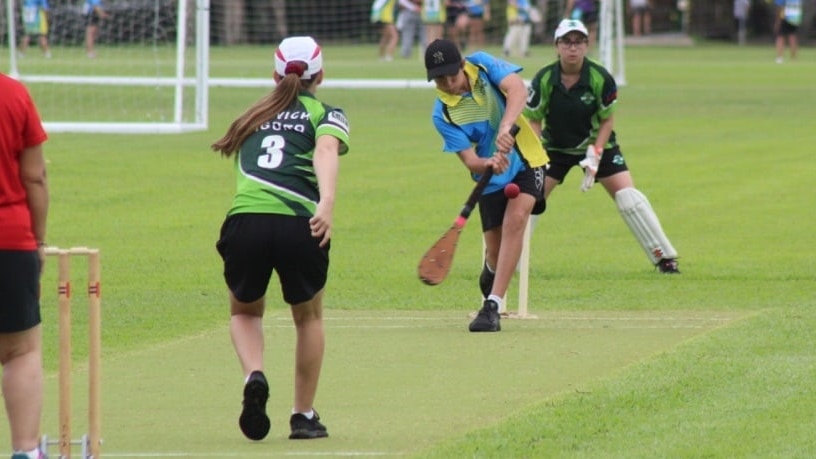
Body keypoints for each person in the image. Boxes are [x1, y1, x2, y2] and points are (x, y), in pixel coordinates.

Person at [211, 36, 349, 441]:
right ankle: (303, 415)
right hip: (299, 225)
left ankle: (254, 374)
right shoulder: (326, 113)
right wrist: (326, 202)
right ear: (320, 75)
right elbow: (325, 151)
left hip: (245, 223)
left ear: (275, 74)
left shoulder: (251, 114)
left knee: (244, 313)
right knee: (308, 318)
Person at [524, 19, 680, 274]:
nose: (572, 48)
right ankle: (508, 258)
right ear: (557, 46)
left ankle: (665, 259)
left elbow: (607, 120)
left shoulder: (600, 77)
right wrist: (536, 156)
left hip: (600, 145)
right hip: (555, 149)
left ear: (587, 45)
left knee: (629, 198)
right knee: (530, 198)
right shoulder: (544, 79)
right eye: (567, 42)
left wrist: (595, 154)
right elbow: (534, 120)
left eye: (578, 42)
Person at [424, 38, 548, 332]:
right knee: (495, 251)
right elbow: (469, 161)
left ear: (462, 66)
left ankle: (491, 305)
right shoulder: (442, 113)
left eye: (451, 76)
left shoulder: (481, 62)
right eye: (439, 80)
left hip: (528, 158)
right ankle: (491, 270)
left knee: (516, 221)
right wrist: (488, 163)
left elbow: (518, 88)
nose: (448, 84)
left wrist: (506, 127)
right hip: (490, 177)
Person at [0, 72, 49, 459]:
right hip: (9, 237)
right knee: (20, 350)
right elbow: (34, 177)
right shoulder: (12, 93)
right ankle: (26, 451)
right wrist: (40, 241)